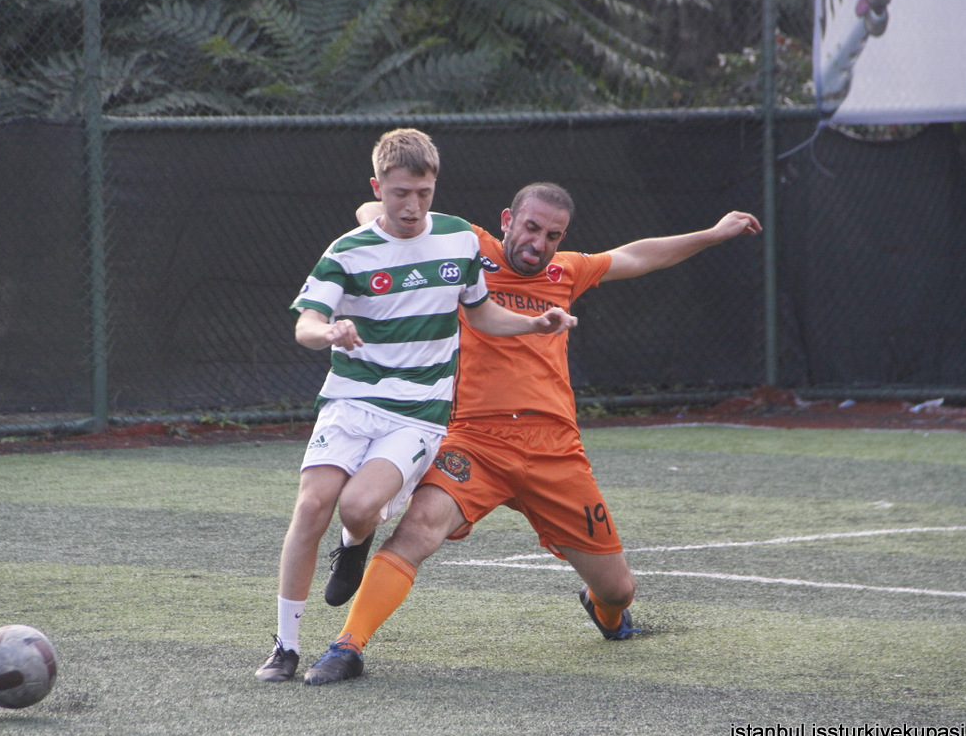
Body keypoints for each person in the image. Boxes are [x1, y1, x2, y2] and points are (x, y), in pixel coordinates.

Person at [301, 182, 761, 685]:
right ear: (508, 220)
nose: (539, 243)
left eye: (553, 235)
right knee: (418, 528)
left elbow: (637, 256)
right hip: (475, 440)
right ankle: (348, 646)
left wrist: (713, 234)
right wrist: (406, 230)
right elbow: (373, 209)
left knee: (619, 590)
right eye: (531, 227)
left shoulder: (568, 270)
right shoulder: (466, 245)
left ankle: (605, 612)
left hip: (555, 452)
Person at [256, 133, 577, 682]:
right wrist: (328, 331)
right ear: (377, 188)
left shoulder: (457, 239)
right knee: (311, 506)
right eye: (400, 193)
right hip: (351, 400)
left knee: (357, 506)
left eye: (423, 193)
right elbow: (305, 323)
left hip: (418, 411)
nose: (412, 206)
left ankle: (355, 542)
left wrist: (533, 324)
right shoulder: (348, 250)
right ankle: (285, 647)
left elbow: (480, 313)